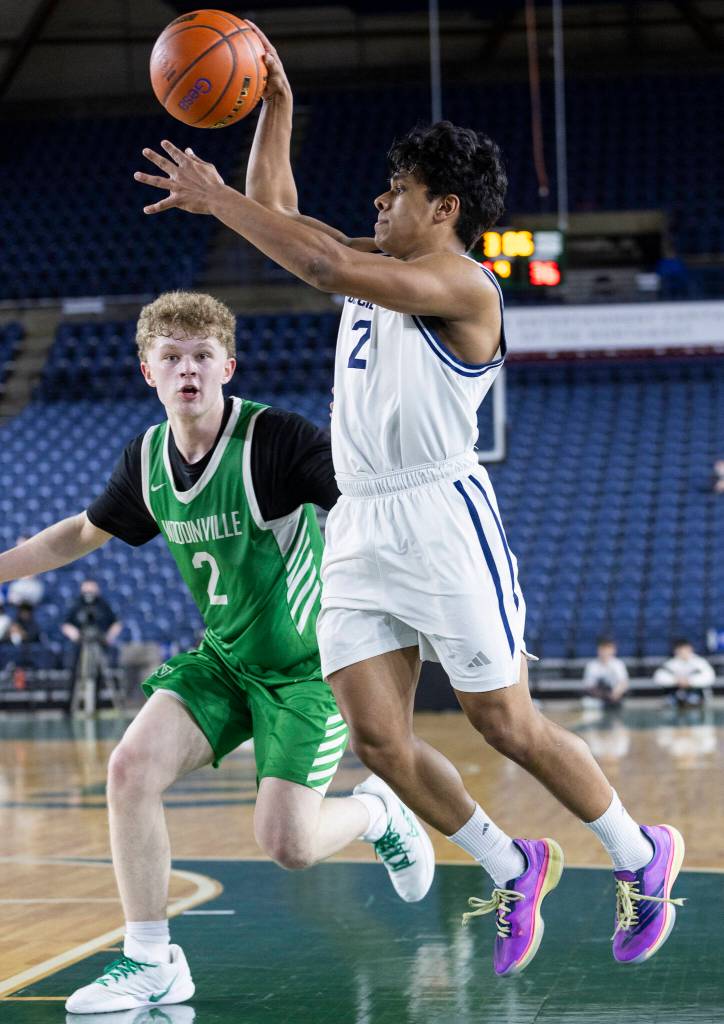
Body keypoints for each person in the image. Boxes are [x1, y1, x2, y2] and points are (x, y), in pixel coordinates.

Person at [134, 26, 685, 975]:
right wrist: (277, 106)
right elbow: (286, 220)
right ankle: (512, 863)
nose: (381, 200)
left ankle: (641, 855)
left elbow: (316, 263)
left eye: (399, 191)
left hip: (440, 516)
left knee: (502, 722)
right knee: (380, 741)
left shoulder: (459, 284)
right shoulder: (374, 264)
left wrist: (214, 200)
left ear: (446, 209)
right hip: (359, 520)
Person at [0, 290, 433, 1014]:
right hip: (224, 661)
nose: (188, 369)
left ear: (228, 364)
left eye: (202, 355)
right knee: (130, 767)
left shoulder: (277, 441)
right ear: (148, 371)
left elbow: (365, 502)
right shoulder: (145, 458)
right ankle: (150, 960)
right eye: (171, 357)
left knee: (288, 845)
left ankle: (378, 813)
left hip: (306, 673)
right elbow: (77, 533)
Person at [654, 639, 715, 707]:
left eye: (685, 649)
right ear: (676, 651)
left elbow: (709, 677)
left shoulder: (700, 662)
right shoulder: (671, 663)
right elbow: (658, 677)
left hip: (696, 695)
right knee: (671, 700)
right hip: (676, 695)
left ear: (690, 649)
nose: (683, 652)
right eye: (680, 650)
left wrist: (690, 681)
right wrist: (676, 681)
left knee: (693, 699)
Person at [582, 636, 629, 707]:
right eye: (603, 649)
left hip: (615, 698)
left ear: (613, 650)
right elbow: (589, 685)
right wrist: (603, 695)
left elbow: (623, 683)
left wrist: (615, 694)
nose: (605, 652)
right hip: (597, 698)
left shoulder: (618, 664)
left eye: (608, 648)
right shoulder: (591, 665)